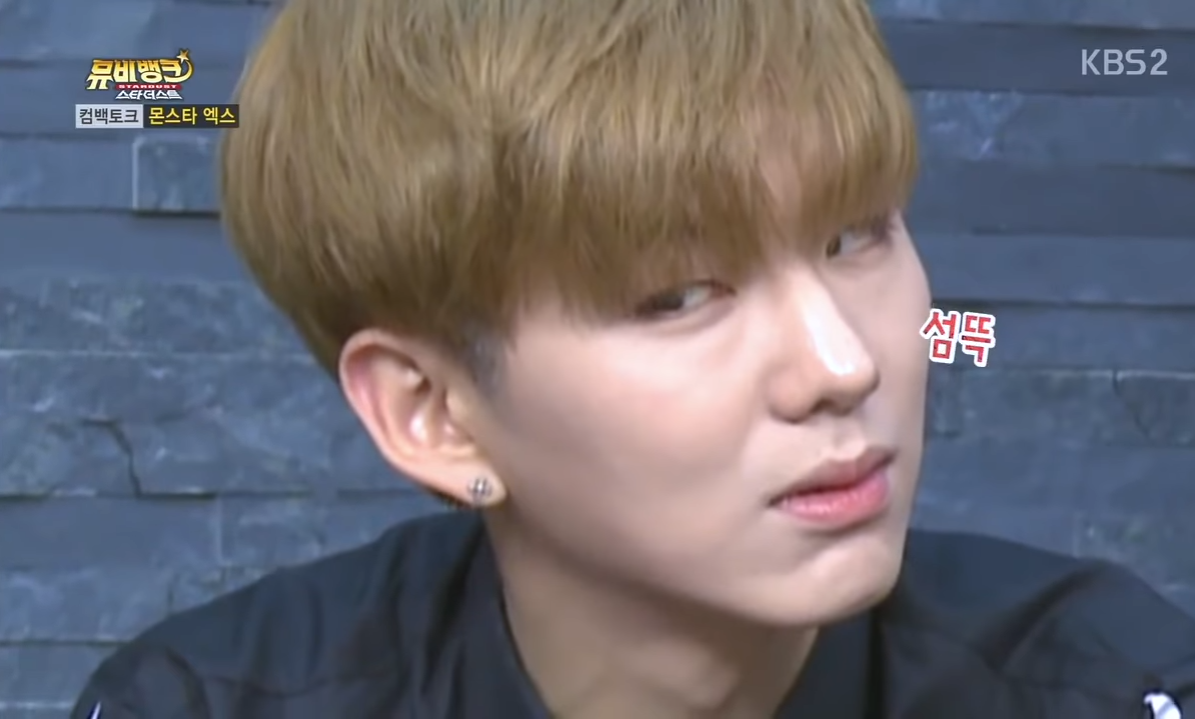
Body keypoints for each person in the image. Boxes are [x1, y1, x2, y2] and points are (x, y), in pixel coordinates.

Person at [72, 0, 1195, 716]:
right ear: (435, 414)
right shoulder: (201, 702)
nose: (840, 363)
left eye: (854, 236)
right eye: (678, 296)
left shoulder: (1101, 683)